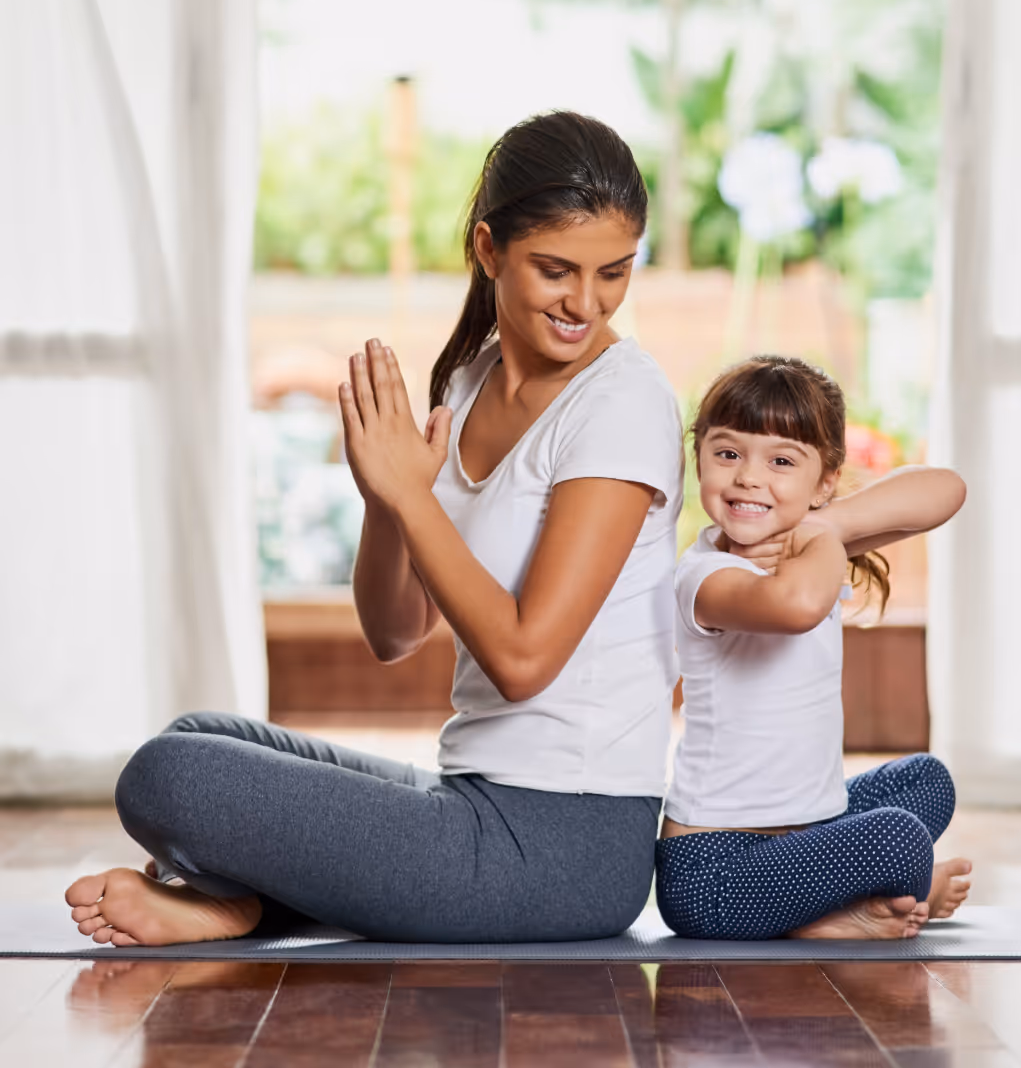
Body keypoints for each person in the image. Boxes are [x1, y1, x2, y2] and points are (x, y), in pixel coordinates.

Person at [64, 111, 684, 946]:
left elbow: (526, 659)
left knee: (172, 778)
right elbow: (394, 632)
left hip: (565, 848)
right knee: (196, 738)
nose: (587, 302)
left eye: (614, 272)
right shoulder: (470, 381)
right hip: (474, 801)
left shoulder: (623, 401)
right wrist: (386, 498)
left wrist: (413, 496)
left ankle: (240, 901)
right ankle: (242, 903)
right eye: (555, 270)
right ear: (489, 249)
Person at [656, 355, 972, 941]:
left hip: (807, 836)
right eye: (728, 454)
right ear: (698, 457)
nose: (750, 477)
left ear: (824, 481)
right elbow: (796, 606)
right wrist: (827, 537)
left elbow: (946, 490)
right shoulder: (704, 576)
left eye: (781, 461)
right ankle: (837, 913)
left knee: (927, 781)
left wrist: (831, 525)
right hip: (715, 874)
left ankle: (847, 899)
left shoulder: (814, 544)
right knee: (898, 838)